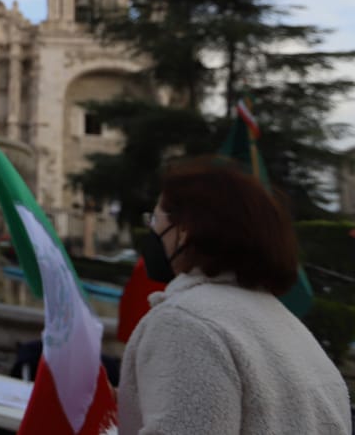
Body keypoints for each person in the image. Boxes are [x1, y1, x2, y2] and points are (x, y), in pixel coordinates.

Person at [116, 159, 351, 434]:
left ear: (184, 231)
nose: (152, 231)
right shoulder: (282, 321)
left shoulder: (185, 323)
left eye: (154, 219)